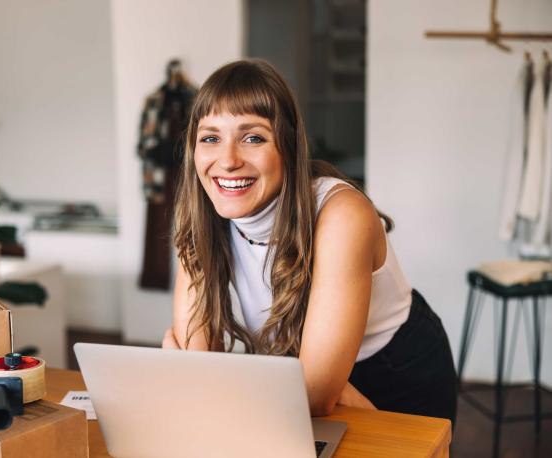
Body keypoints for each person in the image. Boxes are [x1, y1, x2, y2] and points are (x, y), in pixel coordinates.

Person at [163, 59, 457, 422]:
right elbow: (197, 368)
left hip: (393, 373)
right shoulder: (200, 214)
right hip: (288, 377)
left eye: (252, 137)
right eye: (210, 138)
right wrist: (297, 381)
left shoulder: (341, 215)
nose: (227, 160)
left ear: (287, 147)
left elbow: (313, 396)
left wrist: (305, 384)